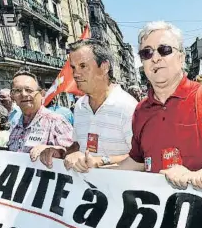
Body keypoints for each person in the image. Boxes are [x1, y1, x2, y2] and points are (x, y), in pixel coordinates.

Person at [110, 21, 202, 191]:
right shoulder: (140, 111)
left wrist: (200, 175)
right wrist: (94, 173)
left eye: (165, 50)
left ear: (181, 58)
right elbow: (137, 161)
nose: (155, 58)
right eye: (147, 53)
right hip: (157, 212)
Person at [38, 39, 137, 171]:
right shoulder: (80, 105)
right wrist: (60, 153)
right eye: (73, 68)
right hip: (87, 190)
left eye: (83, 66)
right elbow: (79, 146)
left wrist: (99, 161)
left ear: (104, 67)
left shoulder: (128, 107)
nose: (76, 74)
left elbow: (140, 159)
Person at [0, 69, 73, 162]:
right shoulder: (16, 126)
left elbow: (73, 154)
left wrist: (55, 151)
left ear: (41, 94)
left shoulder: (56, 121)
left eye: (29, 90)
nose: (24, 94)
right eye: (17, 91)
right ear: (12, 96)